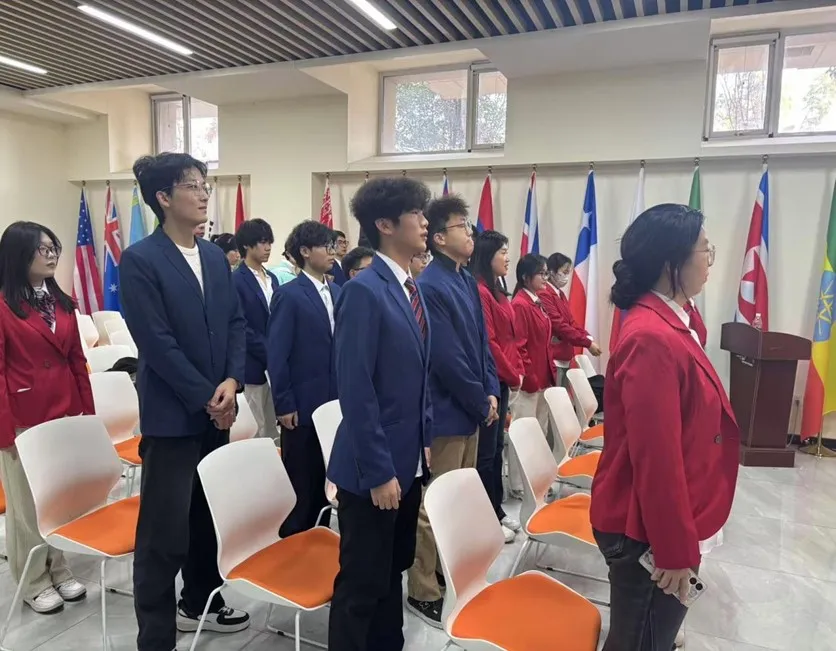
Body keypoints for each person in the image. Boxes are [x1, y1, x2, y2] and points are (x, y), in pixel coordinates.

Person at [591, 204, 736, 651]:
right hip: (643, 527)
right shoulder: (650, 337)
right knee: (639, 641)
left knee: (653, 634)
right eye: (704, 250)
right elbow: (657, 458)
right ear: (671, 262)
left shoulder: (674, 319)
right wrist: (673, 550)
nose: (709, 260)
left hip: (661, 515)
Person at [121, 153, 249, 651]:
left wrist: (232, 381)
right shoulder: (141, 259)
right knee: (163, 533)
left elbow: (235, 322)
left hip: (218, 409)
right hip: (173, 416)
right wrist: (205, 396)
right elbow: (156, 342)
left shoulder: (214, 256)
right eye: (192, 185)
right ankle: (155, 637)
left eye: (204, 184)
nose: (203, 193)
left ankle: (199, 601)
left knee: (206, 516)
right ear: (163, 197)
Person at [327, 177, 432, 651]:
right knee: (362, 584)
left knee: (393, 570)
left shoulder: (410, 287)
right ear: (386, 225)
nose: (425, 222)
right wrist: (378, 470)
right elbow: (356, 389)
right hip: (374, 469)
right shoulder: (364, 291)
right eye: (417, 214)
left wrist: (423, 442)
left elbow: (418, 376)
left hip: (407, 460)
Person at [405, 194, 499, 627]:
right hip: (446, 411)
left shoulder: (464, 279)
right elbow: (445, 358)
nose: (471, 233)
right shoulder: (431, 285)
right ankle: (422, 587)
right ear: (439, 237)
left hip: (472, 407)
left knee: (459, 498)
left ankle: (448, 569)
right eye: (463, 226)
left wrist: (491, 391)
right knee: (434, 505)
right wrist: (480, 400)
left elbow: (481, 346)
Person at [0, 222, 91, 614]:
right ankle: (33, 579)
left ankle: (59, 565)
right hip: (23, 417)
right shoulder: (3, 305)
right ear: (18, 254)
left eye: (54, 247)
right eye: (43, 249)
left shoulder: (61, 302)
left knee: (59, 498)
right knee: (26, 505)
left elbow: (77, 360)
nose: (52, 254)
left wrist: (88, 414)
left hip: (64, 412)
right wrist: (4, 429)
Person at [267, 220, 340, 536]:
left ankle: (319, 535)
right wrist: (284, 403)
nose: (332, 252)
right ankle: (295, 539)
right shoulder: (289, 295)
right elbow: (277, 353)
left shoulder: (337, 291)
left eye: (333, 245)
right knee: (301, 478)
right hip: (302, 403)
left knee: (326, 476)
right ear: (305, 251)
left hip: (334, 401)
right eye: (326, 246)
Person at [471, 230, 524, 543]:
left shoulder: (498, 290)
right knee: (486, 454)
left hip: (504, 378)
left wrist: (516, 370)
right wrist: (511, 374)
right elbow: (490, 343)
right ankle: (486, 516)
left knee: (496, 449)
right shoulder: (480, 291)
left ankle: (497, 509)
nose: (507, 257)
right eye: (502, 251)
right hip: (493, 379)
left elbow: (510, 338)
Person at [509, 254, 554, 495]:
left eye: (547, 273)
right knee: (523, 434)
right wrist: (528, 376)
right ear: (526, 277)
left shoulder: (537, 301)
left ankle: (535, 479)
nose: (546, 278)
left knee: (538, 433)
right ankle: (518, 484)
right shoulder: (520, 304)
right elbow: (519, 346)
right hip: (529, 381)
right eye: (541, 273)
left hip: (543, 377)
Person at [233, 218, 280, 441]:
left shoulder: (272, 278)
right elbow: (240, 325)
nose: (268, 247)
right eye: (262, 242)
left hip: (275, 363)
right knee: (255, 427)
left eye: (269, 242)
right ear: (246, 245)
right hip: (252, 363)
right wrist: (268, 350)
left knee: (273, 426)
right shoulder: (236, 280)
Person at [539, 252, 601, 386]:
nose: (566, 276)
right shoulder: (544, 293)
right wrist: (587, 343)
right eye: (564, 272)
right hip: (554, 356)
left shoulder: (560, 294)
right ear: (552, 272)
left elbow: (570, 322)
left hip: (564, 355)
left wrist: (587, 337)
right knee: (556, 396)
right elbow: (558, 325)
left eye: (568, 272)